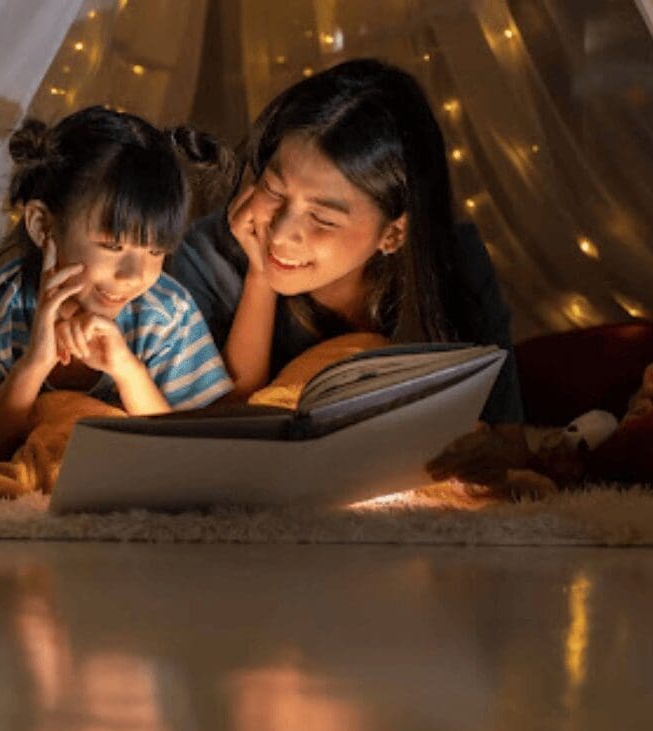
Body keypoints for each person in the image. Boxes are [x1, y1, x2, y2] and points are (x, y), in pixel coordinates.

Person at [169, 59, 528, 487]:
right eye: (274, 189)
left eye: (322, 219)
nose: (281, 234)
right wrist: (259, 280)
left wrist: (485, 455)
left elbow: (511, 443)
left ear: (393, 233)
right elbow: (209, 440)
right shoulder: (209, 255)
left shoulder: (454, 262)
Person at [0, 106, 232, 459]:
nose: (133, 274)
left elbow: (188, 455)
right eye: (112, 246)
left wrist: (126, 370)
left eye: (155, 250)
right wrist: (33, 366)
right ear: (42, 225)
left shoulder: (166, 314)